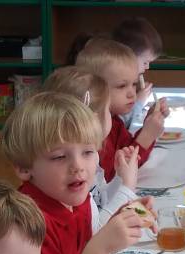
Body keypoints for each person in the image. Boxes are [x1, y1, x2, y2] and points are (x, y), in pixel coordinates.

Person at [1, 91, 148, 254]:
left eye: (88, 152)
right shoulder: (27, 223)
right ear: (24, 168)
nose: (78, 166)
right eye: (60, 157)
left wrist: (123, 220)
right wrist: (101, 247)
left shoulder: (75, 201)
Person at [43, 66, 149, 230]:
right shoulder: (74, 169)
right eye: (108, 110)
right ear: (96, 120)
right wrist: (128, 186)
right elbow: (95, 230)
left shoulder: (90, 156)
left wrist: (120, 178)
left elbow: (100, 201)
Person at [75, 37, 167, 183]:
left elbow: (127, 150)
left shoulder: (115, 121)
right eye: (121, 86)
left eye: (134, 84)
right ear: (95, 89)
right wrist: (146, 136)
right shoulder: (94, 131)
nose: (132, 93)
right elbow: (112, 178)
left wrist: (148, 126)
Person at [111, 17, 163, 133]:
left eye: (133, 84)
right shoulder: (113, 82)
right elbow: (121, 123)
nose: (147, 67)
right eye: (145, 62)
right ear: (129, 56)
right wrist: (138, 102)